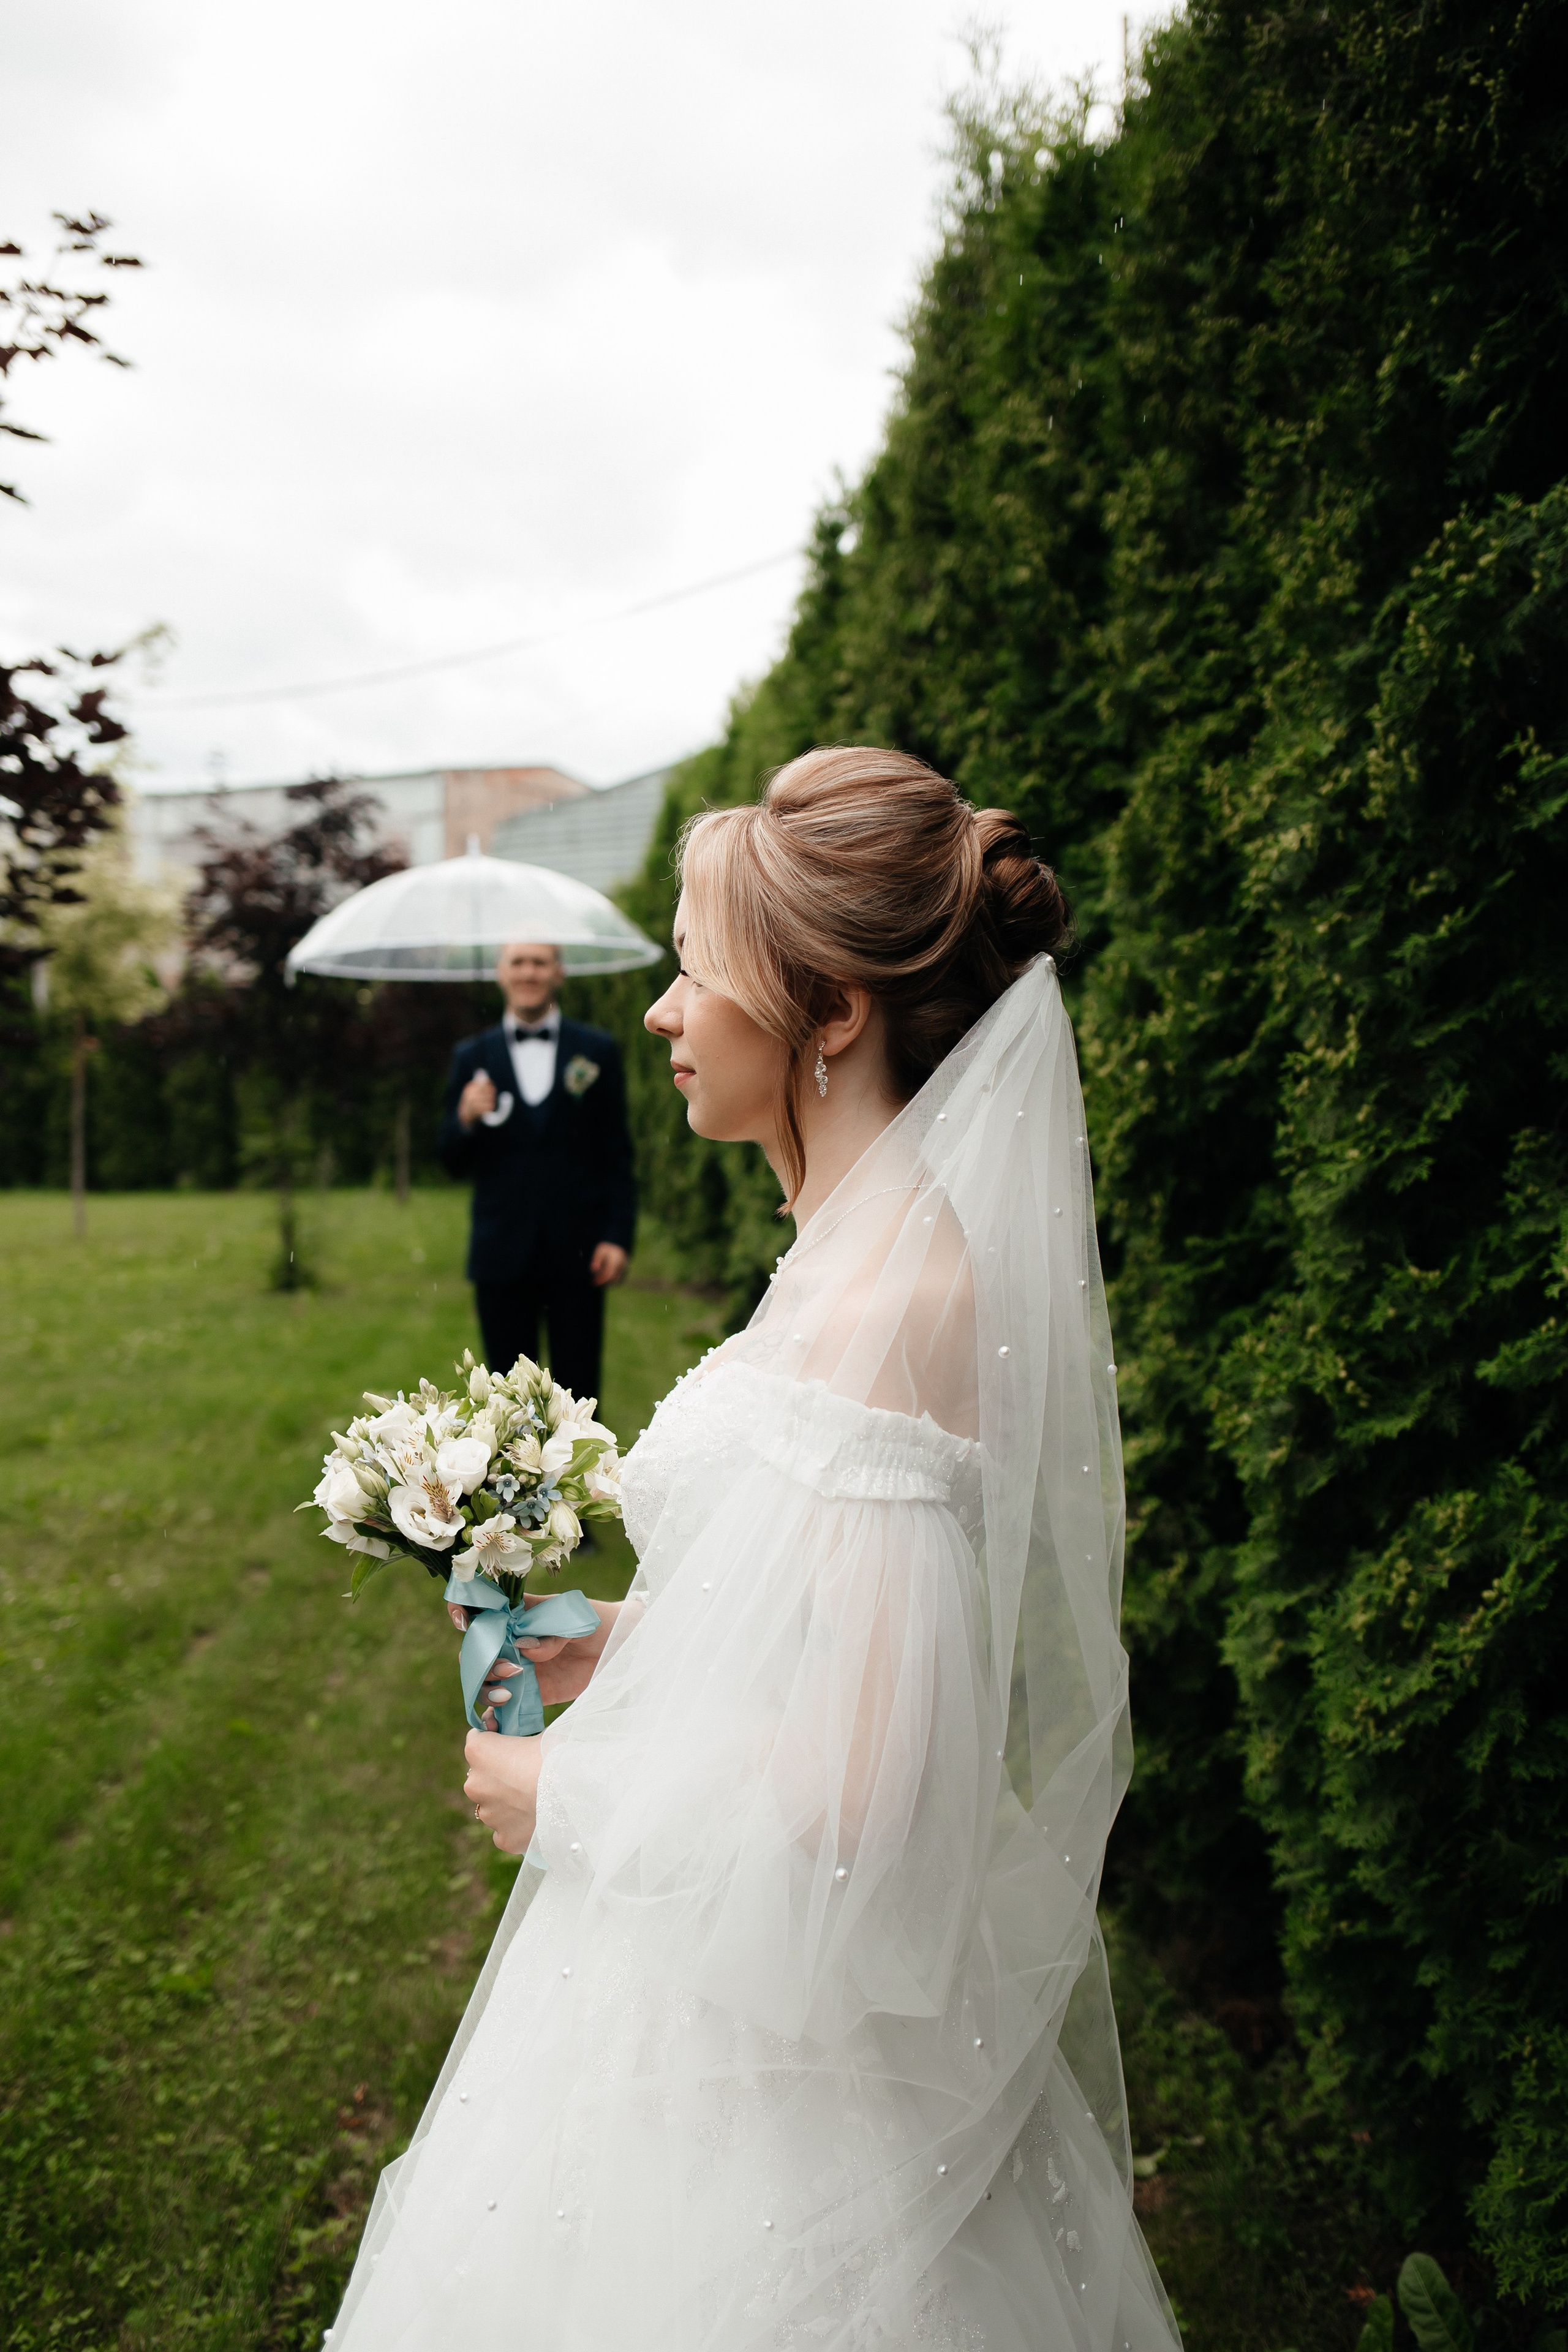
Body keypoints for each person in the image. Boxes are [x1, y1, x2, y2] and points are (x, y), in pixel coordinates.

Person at [331, 750, 1179, 2352]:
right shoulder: (846, 1255)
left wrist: (568, 1795)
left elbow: (871, 1800)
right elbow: (829, 1629)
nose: (661, 1011)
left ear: (832, 1013)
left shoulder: (896, 1303)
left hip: (779, 2074)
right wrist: (629, 1639)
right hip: (695, 1979)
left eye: (699, 967)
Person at [437, 940, 635, 1404]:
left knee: (580, 1396)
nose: (529, 972)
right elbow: (449, 1159)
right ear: (502, 974)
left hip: (580, 1249)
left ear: (558, 973)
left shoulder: (597, 1051)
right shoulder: (473, 1056)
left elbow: (617, 1151)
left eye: (540, 962)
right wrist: (464, 1118)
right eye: (518, 962)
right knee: (506, 1403)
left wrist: (618, 1234)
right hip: (501, 1253)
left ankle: (583, 1479)